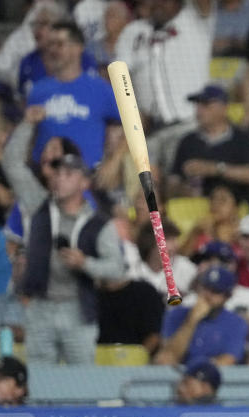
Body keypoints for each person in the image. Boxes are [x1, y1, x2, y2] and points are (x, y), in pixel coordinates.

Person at [21, 153, 126, 364]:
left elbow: (117, 269)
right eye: (57, 173)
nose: (59, 178)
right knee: (39, 379)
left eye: (68, 174)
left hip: (77, 309)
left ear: (84, 183)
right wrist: (28, 123)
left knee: (81, 378)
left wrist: (84, 263)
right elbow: (13, 165)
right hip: (41, 305)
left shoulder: (99, 224)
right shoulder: (39, 210)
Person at [27, 21, 120, 169]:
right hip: (44, 177)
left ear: (78, 48)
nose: (53, 50)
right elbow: (29, 137)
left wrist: (114, 161)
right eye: (50, 44)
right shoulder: (37, 90)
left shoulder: (100, 88)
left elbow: (132, 124)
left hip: (87, 178)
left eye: (59, 44)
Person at [116, 0, 214, 127]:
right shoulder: (133, 31)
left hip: (191, 123)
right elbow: (118, 75)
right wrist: (132, 113)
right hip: (149, 127)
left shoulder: (194, 19)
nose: (159, 4)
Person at [168, 85, 249, 204]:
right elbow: (172, 182)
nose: (199, 110)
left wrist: (215, 169)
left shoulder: (243, 139)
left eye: (206, 104)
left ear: (224, 107)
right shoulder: (188, 141)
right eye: (197, 105)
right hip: (194, 210)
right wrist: (181, 190)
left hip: (236, 209)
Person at [155, 266, 248, 365]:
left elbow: (227, 361)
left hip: (210, 377)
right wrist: (191, 321)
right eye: (205, 288)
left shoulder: (236, 323)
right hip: (177, 376)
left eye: (215, 291)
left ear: (227, 296)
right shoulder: (177, 314)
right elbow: (168, 357)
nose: (207, 295)